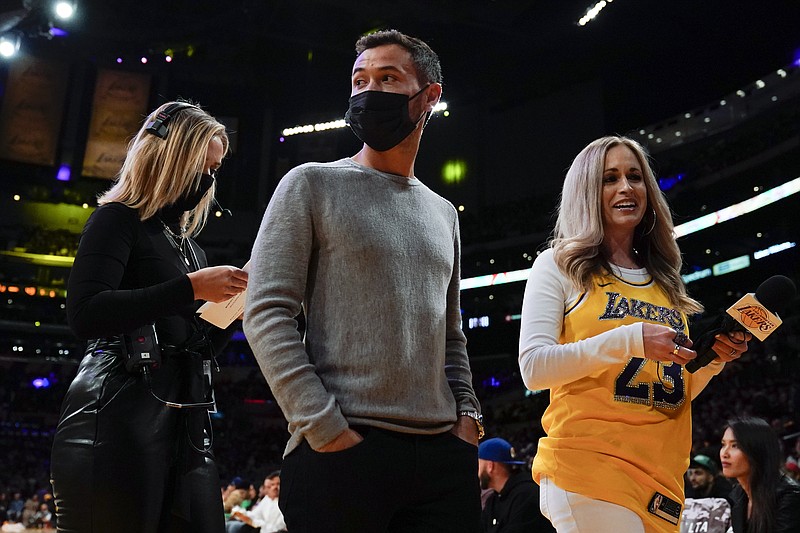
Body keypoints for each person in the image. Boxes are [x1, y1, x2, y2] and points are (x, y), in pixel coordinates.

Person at [243, 29, 482, 533]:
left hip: (444, 458)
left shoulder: (443, 212)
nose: (368, 91)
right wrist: (324, 428)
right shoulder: (309, 183)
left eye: (387, 78)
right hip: (344, 450)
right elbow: (265, 313)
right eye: (359, 80)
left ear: (429, 96)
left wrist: (468, 419)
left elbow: (451, 333)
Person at [518, 135, 750, 533]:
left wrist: (712, 363)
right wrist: (629, 339)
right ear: (586, 191)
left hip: (662, 482)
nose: (626, 188)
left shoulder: (666, 282)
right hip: (590, 469)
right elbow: (533, 368)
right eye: (610, 178)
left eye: (635, 177)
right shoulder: (558, 265)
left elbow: (667, 389)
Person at [50, 101, 248, 533]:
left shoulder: (189, 247)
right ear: (171, 159)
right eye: (203, 166)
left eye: (215, 169)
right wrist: (191, 288)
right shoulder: (117, 220)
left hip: (186, 422)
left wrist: (234, 309)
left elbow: (197, 345)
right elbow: (85, 313)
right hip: (118, 415)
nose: (209, 180)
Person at [721, 416, 800, 533]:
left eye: (735, 446)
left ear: (757, 451)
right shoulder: (737, 494)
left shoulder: (789, 497)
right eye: (723, 445)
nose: (724, 453)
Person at [478, 437, 555, 533]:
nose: (476, 472)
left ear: (490, 466)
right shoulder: (493, 500)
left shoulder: (526, 495)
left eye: (478, 464)